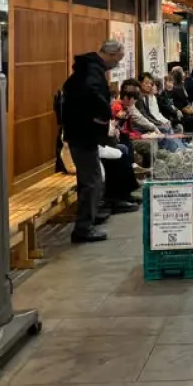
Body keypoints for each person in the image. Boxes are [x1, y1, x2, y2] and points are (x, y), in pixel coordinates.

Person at [60, 40, 124, 243]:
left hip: (82, 132)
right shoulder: (91, 72)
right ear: (111, 54)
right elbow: (93, 97)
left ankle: (89, 218)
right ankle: (83, 228)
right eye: (117, 59)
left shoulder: (87, 68)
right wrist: (104, 113)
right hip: (83, 133)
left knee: (90, 179)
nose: (117, 64)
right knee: (92, 181)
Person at [170, 67, 193, 135]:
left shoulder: (181, 85)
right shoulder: (178, 87)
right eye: (182, 72)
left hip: (182, 108)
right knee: (192, 118)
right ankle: (189, 139)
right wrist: (188, 109)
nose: (184, 74)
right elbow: (181, 103)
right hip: (179, 110)